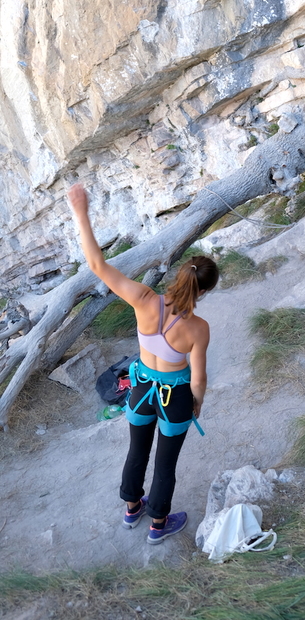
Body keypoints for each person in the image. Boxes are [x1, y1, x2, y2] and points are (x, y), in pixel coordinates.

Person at [67, 183, 219, 544]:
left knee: (137, 451)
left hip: (139, 390)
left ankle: (132, 507)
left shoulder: (144, 299)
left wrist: (81, 212)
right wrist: (196, 403)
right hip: (175, 397)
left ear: (180, 275)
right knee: (165, 464)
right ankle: (158, 525)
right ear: (206, 291)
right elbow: (198, 379)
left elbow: (96, 264)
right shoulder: (198, 328)